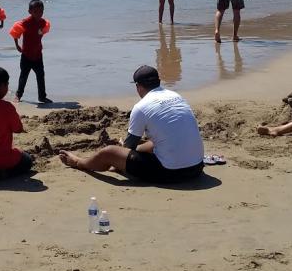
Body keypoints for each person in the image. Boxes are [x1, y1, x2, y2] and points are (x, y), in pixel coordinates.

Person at [58, 65, 204, 184]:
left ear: (138, 87)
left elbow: (129, 148)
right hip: (196, 167)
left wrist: (120, 155)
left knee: (109, 152)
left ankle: (78, 162)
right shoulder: (176, 96)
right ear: (158, 82)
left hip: (171, 173)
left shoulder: (141, 106)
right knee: (160, 140)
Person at [10, 0, 51, 104]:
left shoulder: (43, 23)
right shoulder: (25, 23)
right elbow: (15, 32)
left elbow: (43, 31)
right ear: (30, 12)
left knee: (41, 75)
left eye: (41, 11)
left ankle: (42, 97)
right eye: (36, 12)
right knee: (23, 76)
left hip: (38, 55)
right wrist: (17, 45)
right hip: (26, 55)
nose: (39, 14)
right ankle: (18, 95)